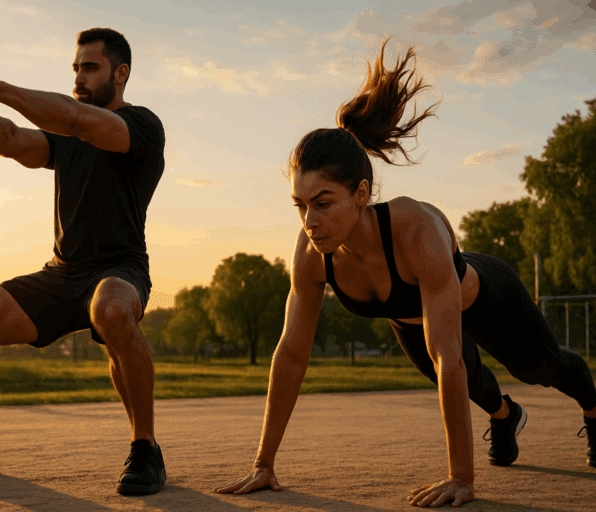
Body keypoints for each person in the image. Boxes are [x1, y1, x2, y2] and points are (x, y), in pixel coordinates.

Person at [214, 39, 596, 507]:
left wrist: (461, 478)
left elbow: (448, 356)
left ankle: (594, 409)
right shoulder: (313, 253)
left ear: (361, 194)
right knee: (472, 387)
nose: (309, 221)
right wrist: (263, 464)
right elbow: (291, 356)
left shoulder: (414, 230)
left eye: (323, 203)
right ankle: (504, 415)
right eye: (300, 205)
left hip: (485, 297)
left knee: (541, 368)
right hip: (413, 322)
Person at [0, 28, 167, 496]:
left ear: (121, 73)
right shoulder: (67, 135)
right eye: (75, 68)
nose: (79, 77)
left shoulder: (142, 127)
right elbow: (10, 140)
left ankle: (146, 448)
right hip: (63, 273)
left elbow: (76, 120)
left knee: (111, 310)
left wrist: (3, 90)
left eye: (90, 67)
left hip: (119, 271)